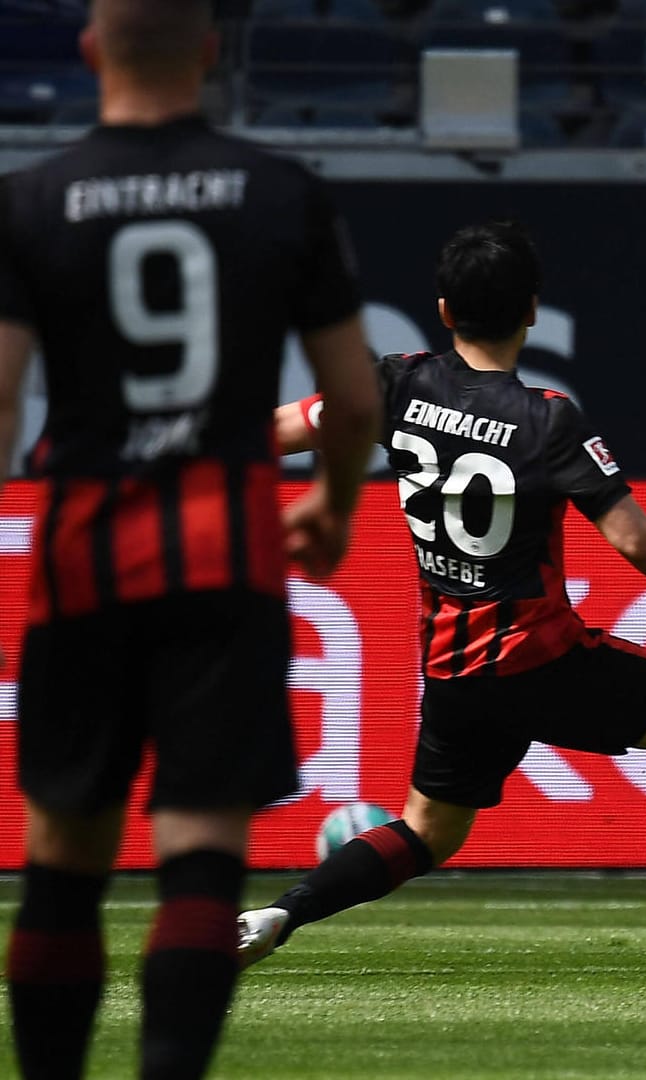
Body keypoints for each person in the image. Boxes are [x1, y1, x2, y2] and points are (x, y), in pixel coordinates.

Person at [236, 220, 646, 976]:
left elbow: (279, 430)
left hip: (453, 672)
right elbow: (635, 540)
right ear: (534, 311)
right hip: (540, 656)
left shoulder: (396, 383)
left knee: (425, 834)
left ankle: (280, 912)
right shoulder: (547, 418)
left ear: (445, 311)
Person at [0, 1, 381, 1077]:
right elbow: (352, 400)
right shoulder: (281, 192)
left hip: (82, 561)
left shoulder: (28, 201)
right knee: (202, 856)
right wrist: (337, 506)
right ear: (211, 49)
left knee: (66, 853)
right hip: (226, 559)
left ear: (88, 50)